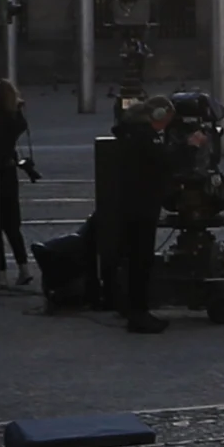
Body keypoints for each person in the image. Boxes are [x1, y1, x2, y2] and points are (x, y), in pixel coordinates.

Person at [96, 94, 172, 334]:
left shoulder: (128, 132)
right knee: (141, 261)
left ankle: (129, 307)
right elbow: (163, 161)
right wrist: (189, 146)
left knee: (130, 258)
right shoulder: (145, 137)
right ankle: (139, 314)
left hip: (128, 204)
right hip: (142, 206)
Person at [0, 78, 35, 286]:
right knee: (12, 225)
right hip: (9, 172)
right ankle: (23, 267)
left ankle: (0, 272)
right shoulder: (16, 119)